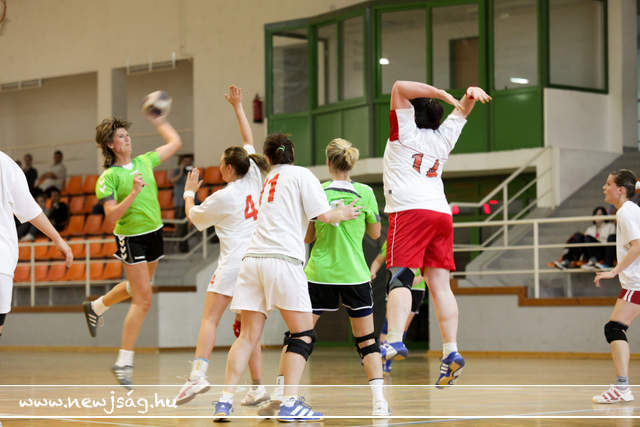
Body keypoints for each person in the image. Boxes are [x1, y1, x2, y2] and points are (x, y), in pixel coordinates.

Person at [213, 133, 362, 422]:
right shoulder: (302, 175)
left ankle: (224, 401)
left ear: (268, 157)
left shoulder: (266, 178)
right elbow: (324, 216)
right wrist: (342, 212)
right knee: (303, 333)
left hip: (252, 260)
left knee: (247, 337)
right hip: (283, 260)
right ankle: (290, 402)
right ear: (293, 152)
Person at [380, 80, 491, 387]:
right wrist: (468, 94)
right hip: (441, 213)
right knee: (440, 286)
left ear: (411, 113)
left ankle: (394, 339)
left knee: (401, 277)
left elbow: (399, 86)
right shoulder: (443, 138)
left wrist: (441, 93)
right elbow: (462, 111)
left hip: (409, 211)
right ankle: (451, 350)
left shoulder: (403, 132)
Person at [174, 85, 271, 406]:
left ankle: (198, 375)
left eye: (220, 163)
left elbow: (193, 217)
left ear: (230, 168)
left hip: (234, 264)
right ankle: (257, 387)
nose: (218, 167)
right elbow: (248, 139)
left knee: (210, 319)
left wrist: (189, 193)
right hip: (258, 262)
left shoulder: (224, 196)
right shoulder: (255, 173)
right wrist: (238, 107)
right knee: (248, 330)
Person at [83, 104, 182, 389]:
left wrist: (160, 121)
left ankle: (96, 306)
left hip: (155, 232)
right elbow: (111, 216)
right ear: (110, 145)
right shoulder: (108, 177)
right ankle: (123, 362)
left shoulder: (144, 161)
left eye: (127, 134)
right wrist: (134, 193)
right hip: (131, 238)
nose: (127, 138)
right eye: (121, 136)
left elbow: (175, 142)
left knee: (137, 287)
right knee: (143, 299)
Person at [301, 138, 389, 416]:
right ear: (351, 163)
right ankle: (379, 403)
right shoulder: (365, 193)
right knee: (367, 340)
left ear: (328, 162)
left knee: (299, 336)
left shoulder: (318, 191)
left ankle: (283, 396)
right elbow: (376, 234)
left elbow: (308, 237)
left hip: (319, 274)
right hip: (355, 274)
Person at [0, 151, 72, 336]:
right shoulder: (6, 164)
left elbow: (30, 209)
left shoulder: (6, 165)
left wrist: (57, 239)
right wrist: (58, 239)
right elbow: (30, 209)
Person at [592, 170, 640, 404]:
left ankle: (622, 387)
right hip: (635, 283)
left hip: (637, 283)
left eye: (608, 183)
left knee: (614, 328)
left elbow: (637, 246)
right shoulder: (631, 210)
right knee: (615, 328)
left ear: (620, 190)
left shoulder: (626, 212)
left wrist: (614, 271)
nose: (604, 187)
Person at [370, 240, 426, 375]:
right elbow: (378, 260)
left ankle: (392, 352)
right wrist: (372, 271)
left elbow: (430, 267)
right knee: (389, 324)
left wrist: (418, 278)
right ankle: (384, 362)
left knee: (402, 327)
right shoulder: (392, 239)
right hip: (396, 285)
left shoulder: (422, 236)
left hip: (416, 289)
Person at [553, 206, 616, 270]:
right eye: (596, 214)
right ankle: (567, 261)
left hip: (602, 251)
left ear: (605, 216)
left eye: (600, 214)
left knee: (588, 238)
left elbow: (610, 243)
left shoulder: (610, 226)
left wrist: (595, 241)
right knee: (578, 236)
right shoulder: (590, 228)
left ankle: (593, 262)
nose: (598, 216)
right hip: (590, 252)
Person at [170, 154, 194, 252]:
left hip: (191, 201)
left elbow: (200, 182)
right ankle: (183, 247)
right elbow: (173, 181)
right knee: (181, 227)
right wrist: (181, 171)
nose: (187, 163)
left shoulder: (192, 172)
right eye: (185, 161)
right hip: (180, 202)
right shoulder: (176, 171)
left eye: (189, 161)